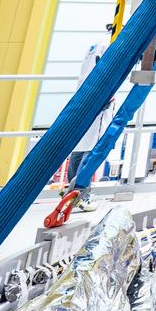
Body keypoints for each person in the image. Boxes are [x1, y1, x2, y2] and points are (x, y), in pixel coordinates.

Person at [62, 28, 115, 211]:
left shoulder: (97, 43)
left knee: (81, 145)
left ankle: (70, 191)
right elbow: (106, 70)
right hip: (98, 101)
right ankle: (80, 194)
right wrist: (106, 97)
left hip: (84, 96)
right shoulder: (111, 43)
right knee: (93, 148)